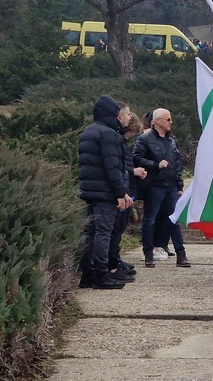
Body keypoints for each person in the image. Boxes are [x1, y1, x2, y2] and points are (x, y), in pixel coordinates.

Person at [77, 95, 133, 289]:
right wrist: (121, 192)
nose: (123, 118)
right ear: (113, 114)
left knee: (90, 234)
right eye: (120, 114)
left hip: (90, 191)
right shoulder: (109, 134)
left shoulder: (89, 132)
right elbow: (112, 168)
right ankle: (101, 275)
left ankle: (87, 275)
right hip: (105, 193)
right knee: (103, 233)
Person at [133, 108, 191, 268]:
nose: (171, 122)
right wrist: (155, 165)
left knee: (174, 220)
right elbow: (136, 158)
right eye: (168, 119)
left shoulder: (172, 141)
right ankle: (148, 254)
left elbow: (178, 163)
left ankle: (181, 254)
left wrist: (179, 185)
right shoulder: (144, 139)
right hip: (154, 186)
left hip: (170, 186)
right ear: (157, 121)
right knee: (150, 220)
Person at [108, 102, 146, 278]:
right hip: (122, 189)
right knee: (114, 231)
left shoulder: (123, 144)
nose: (131, 136)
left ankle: (116, 260)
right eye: (131, 133)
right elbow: (114, 168)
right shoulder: (116, 142)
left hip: (128, 187)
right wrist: (133, 171)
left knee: (119, 229)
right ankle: (112, 263)